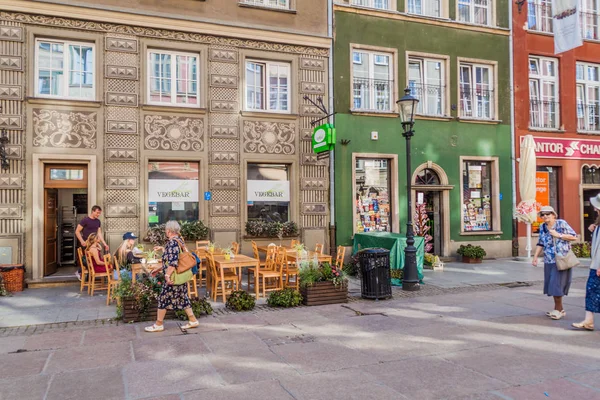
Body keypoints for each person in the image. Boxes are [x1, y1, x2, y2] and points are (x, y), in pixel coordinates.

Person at [145, 220, 198, 332]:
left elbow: (173, 262)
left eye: (165, 230)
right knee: (183, 298)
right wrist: (159, 269)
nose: (165, 232)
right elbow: (171, 260)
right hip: (180, 276)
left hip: (174, 277)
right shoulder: (180, 240)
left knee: (163, 298)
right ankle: (193, 320)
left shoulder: (173, 243)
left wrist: (167, 276)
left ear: (169, 231)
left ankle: (159, 324)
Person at [532, 205, 577, 320]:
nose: (545, 216)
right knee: (551, 285)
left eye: (548, 214)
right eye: (543, 214)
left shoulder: (561, 223)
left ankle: (558, 309)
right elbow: (541, 243)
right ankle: (559, 309)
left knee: (556, 284)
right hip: (548, 259)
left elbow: (574, 236)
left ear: (553, 214)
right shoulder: (543, 227)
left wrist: (559, 235)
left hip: (561, 258)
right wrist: (535, 257)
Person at [572, 195, 600, 331]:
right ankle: (588, 320)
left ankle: (589, 321)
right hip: (595, 265)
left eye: (597, 206)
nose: (595, 208)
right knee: (591, 291)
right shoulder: (598, 225)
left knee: (592, 291)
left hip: (598, 265)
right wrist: (593, 230)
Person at [75, 205, 109, 280]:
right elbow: (77, 231)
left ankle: (91, 276)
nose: (98, 214)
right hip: (86, 244)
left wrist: (104, 244)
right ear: (93, 211)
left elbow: (99, 234)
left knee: (95, 259)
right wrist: (82, 241)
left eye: (99, 213)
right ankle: (81, 272)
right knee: (87, 260)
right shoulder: (85, 220)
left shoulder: (98, 221)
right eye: (97, 213)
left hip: (94, 244)